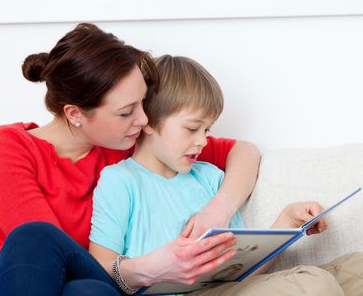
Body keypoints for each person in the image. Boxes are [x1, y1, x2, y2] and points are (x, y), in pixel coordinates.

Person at [0, 23, 260, 296]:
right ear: (75, 114)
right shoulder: (8, 147)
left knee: (87, 291)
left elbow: (243, 152)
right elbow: (49, 250)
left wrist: (218, 210)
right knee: (35, 237)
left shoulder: (127, 142)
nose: (144, 119)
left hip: (92, 284)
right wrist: (147, 269)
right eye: (127, 111)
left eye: (142, 103)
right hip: (14, 284)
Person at [89, 55, 363, 296]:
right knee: (314, 284)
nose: (202, 141)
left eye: (206, 130)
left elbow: (243, 270)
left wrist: (288, 221)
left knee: (357, 269)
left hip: (229, 289)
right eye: (192, 128)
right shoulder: (119, 181)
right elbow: (99, 273)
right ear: (147, 121)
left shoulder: (210, 178)